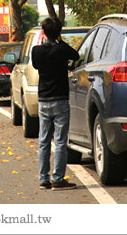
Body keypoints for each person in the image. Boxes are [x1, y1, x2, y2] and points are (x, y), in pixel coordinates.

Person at [31, 16, 79, 190]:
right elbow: (76, 55)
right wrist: (60, 41)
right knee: (59, 141)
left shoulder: (36, 51)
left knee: (43, 140)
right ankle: (58, 178)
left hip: (44, 100)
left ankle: (43, 178)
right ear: (59, 33)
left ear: (43, 32)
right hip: (60, 100)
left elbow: (36, 66)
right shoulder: (62, 50)